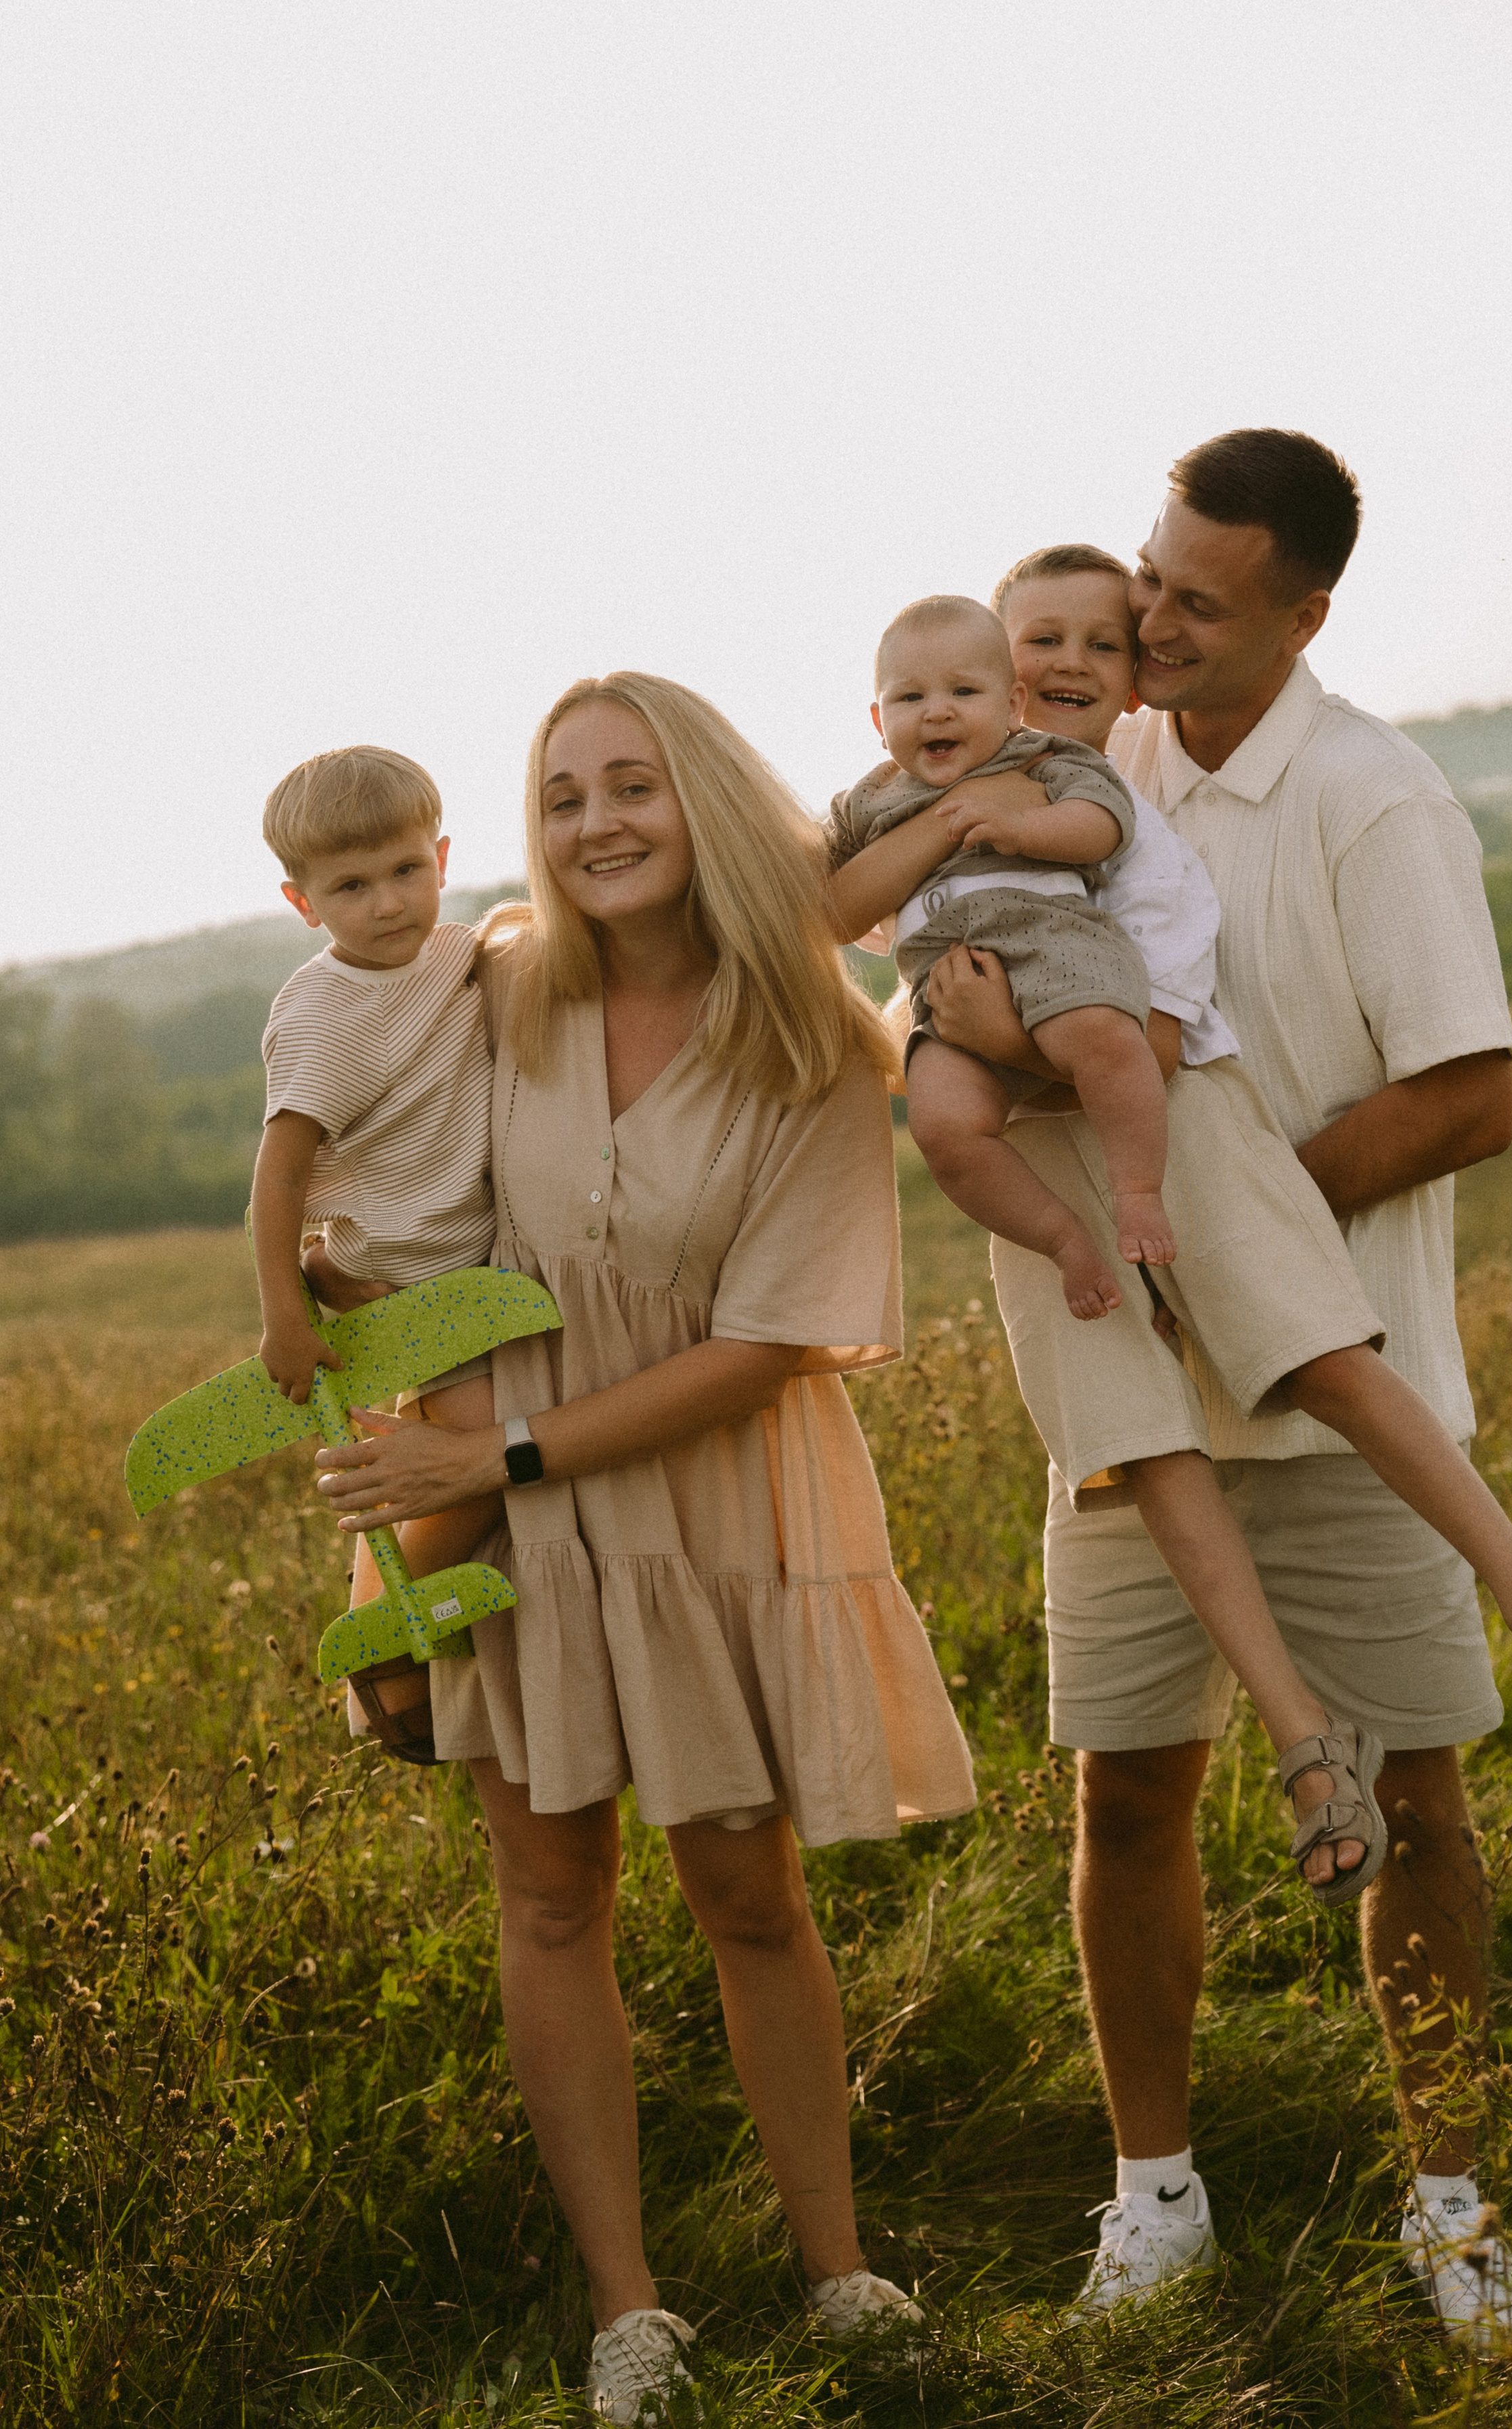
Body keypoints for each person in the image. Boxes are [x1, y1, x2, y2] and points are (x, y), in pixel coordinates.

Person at [904, 439, 1512, 2346]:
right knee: (1126, 1796)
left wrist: (1232, 1241)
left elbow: (1469, 1091)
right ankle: (1158, 2201)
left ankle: (1453, 2213)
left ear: (1307, 614)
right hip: (1132, 1414)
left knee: (1418, 1804)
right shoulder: (1085, 755)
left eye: (1193, 600)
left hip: (1332, 1385)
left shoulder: (1372, 797)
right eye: (1147, 578)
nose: (1147, 622)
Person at [309, 671, 975, 2421]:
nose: (599, 820)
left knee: (750, 1895)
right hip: (499, 1501)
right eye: (568, 791)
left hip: (713, 1493)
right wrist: (333, 1282)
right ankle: (629, 2309)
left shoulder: (818, 1038)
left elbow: (771, 1343)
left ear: (708, 809)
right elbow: (406, 1202)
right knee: (546, 1894)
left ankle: (836, 2268)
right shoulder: (493, 985)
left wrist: (504, 1446)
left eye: (636, 786)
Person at [832, 544, 1512, 1917]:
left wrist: (987, 1014)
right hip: (1041, 1171)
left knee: (1321, 1357)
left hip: (1160, 1117)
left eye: (1100, 643)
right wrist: (949, 838)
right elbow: (838, 918)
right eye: (1028, 649)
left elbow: (1150, 1022)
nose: (1061, 668)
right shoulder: (944, 773)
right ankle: (1296, 1744)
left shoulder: (1111, 797)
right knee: (1146, 1454)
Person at [252, 744, 502, 1759]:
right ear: (303, 903)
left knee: (474, 1449)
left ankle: (402, 1603)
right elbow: (279, 1170)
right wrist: (282, 1311)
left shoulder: (458, 954)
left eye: (407, 870)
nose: (389, 902)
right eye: (351, 887)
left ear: (441, 854)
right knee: (480, 1463)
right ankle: (382, 1641)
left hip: (476, 1267)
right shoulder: (322, 1012)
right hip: (409, 1274)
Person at [827, 594, 1174, 1318]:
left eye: (963, 691)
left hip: (1054, 947)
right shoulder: (867, 804)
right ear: (876, 719)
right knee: (943, 1128)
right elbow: (820, 897)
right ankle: (1062, 1239)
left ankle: (1137, 1192)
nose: (938, 712)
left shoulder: (1042, 759)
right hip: (944, 987)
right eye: (910, 697)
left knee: (1107, 1039)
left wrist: (1025, 826)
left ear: (1012, 703)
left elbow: (1105, 823)